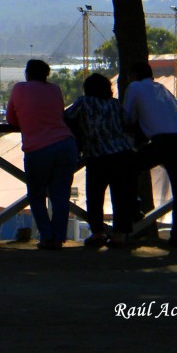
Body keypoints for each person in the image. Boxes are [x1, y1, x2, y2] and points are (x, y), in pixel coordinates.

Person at [6, 59, 77, 250]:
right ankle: (58, 237)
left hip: (38, 148)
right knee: (60, 195)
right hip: (66, 144)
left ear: (27, 73)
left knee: (36, 195)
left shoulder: (19, 89)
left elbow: (11, 119)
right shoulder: (55, 90)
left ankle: (47, 236)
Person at [123, 60, 177, 249]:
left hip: (163, 141)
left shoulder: (135, 87)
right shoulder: (162, 88)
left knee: (128, 168)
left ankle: (134, 209)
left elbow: (128, 118)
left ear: (134, 75)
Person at [63, 73, 137, 248]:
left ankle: (97, 233)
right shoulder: (115, 104)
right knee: (121, 197)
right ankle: (119, 235)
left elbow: (66, 117)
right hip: (122, 154)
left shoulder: (83, 102)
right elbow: (128, 123)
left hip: (97, 156)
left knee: (95, 197)